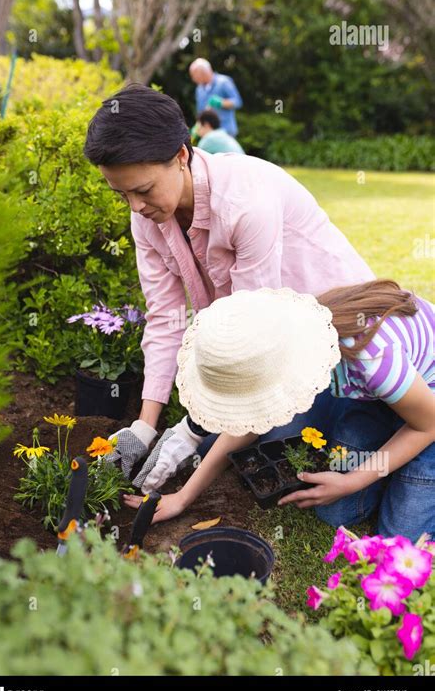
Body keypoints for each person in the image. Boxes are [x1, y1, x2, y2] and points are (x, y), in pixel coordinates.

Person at [83, 83, 374, 496]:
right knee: (250, 441)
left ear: (181, 156)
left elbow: (251, 333)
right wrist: (144, 427)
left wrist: (191, 429)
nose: (134, 206)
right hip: (273, 338)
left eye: (143, 190)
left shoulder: (245, 201)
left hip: (340, 335)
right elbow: (166, 317)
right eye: (121, 194)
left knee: (275, 444)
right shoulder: (146, 217)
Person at [123, 282, 435, 542]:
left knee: (402, 537)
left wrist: (353, 481)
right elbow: (251, 423)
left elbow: (427, 425)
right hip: (381, 395)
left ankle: (405, 467)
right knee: (335, 513)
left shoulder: (373, 360)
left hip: (427, 404)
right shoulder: (294, 341)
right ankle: (395, 459)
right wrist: (183, 497)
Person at [189, 58, 243, 137]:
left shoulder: (224, 82)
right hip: (208, 134)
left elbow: (237, 102)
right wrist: (197, 126)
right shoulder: (199, 89)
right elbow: (201, 112)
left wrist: (221, 102)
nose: (193, 79)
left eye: (193, 75)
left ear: (203, 72)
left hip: (226, 132)